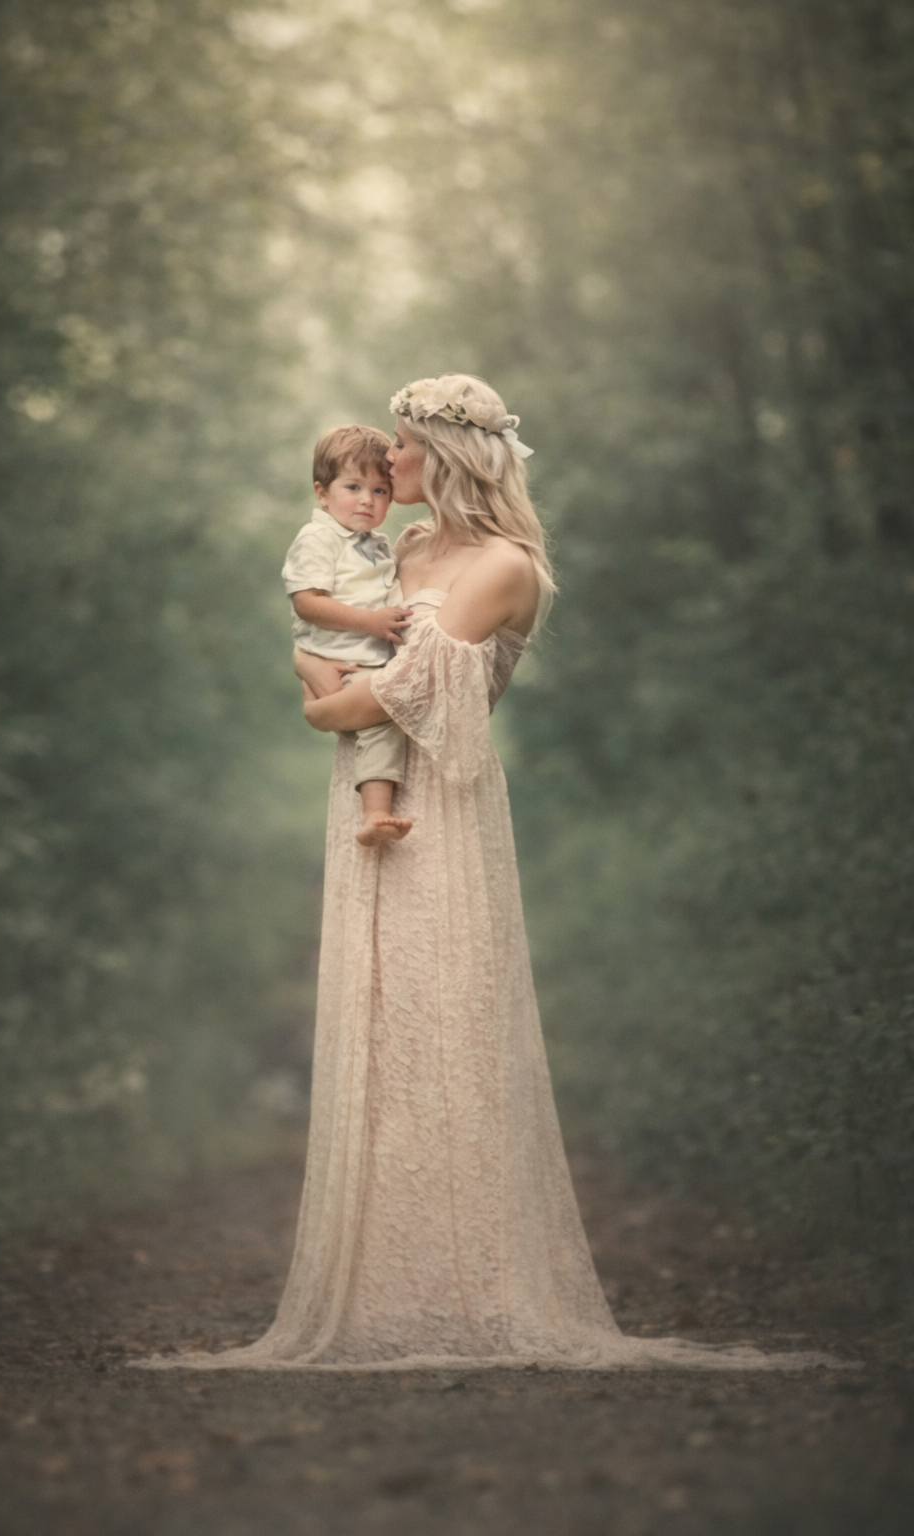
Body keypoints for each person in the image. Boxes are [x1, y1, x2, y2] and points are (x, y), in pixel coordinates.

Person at [134, 375, 833, 1373]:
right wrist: (331, 683)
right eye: (379, 461)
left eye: (401, 453)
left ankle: (467, 1286)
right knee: (378, 1023)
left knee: (439, 1019)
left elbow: (387, 695)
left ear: (447, 457)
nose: (386, 469)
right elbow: (330, 641)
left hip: (440, 810)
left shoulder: (506, 565)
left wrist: (325, 702)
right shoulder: (406, 549)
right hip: (369, 801)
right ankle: (382, 1284)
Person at [282, 424, 414, 846]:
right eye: (353, 486)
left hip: (364, 652)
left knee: (378, 717)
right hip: (338, 654)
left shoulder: (376, 543)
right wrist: (370, 622)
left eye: (380, 491)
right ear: (321, 492)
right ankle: (376, 814)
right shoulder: (318, 537)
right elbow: (307, 602)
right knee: (381, 723)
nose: (366, 500)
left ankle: (375, 806)